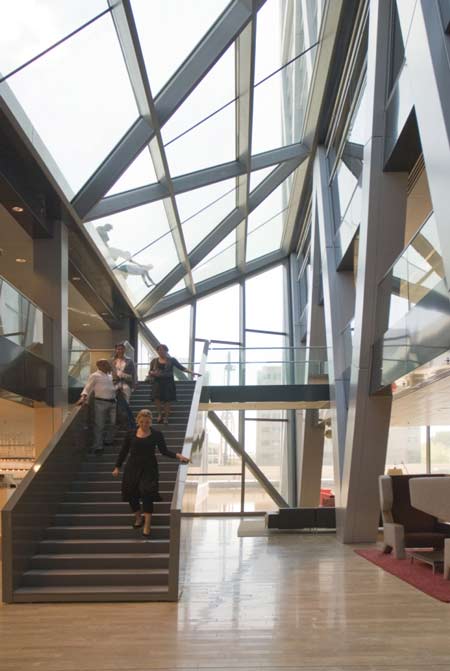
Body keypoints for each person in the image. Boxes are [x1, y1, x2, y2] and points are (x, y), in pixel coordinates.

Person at [112, 409, 189, 537]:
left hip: (149, 468)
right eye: (142, 422)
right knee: (131, 492)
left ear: (150, 422)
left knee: (147, 492)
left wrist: (178, 456)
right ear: (138, 421)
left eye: (147, 422)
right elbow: (124, 451)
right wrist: (117, 467)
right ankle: (138, 517)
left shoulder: (156, 434)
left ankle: (147, 524)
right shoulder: (130, 434)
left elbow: (164, 451)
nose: (144, 424)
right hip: (132, 467)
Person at [147, 344, 200, 424]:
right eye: (159, 350)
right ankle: (160, 414)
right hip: (157, 382)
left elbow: (181, 368)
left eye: (162, 350)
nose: (161, 351)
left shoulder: (172, 360)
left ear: (166, 351)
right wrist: (152, 373)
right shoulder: (154, 361)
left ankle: (166, 417)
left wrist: (193, 373)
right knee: (156, 398)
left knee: (167, 400)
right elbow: (150, 371)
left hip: (168, 382)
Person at [78, 359, 116, 454]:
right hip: (100, 402)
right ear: (100, 366)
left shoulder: (110, 376)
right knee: (99, 425)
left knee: (113, 422)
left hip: (113, 402)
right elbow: (87, 387)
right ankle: (98, 446)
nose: (108, 365)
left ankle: (108, 440)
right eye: (106, 364)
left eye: (108, 364)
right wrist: (83, 397)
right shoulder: (94, 375)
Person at [111, 342, 136, 428]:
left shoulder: (129, 361)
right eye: (118, 349)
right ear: (116, 350)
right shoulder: (112, 361)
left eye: (122, 349)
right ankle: (117, 422)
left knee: (126, 403)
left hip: (126, 383)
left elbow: (133, 373)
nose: (120, 350)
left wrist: (133, 385)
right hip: (114, 383)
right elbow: (109, 373)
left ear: (124, 350)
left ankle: (125, 422)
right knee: (114, 403)